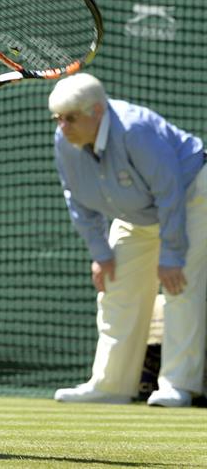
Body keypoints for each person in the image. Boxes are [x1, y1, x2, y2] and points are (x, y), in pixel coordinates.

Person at [49, 73, 206, 407]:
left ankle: (177, 385)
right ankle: (111, 386)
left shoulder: (135, 131)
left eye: (71, 118)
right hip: (136, 212)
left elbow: (170, 193)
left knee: (179, 285)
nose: (63, 126)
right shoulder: (65, 140)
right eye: (58, 118)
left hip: (190, 197)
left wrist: (172, 255)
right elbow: (76, 198)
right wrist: (100, 253)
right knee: (115, 285)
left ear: (97, 112)